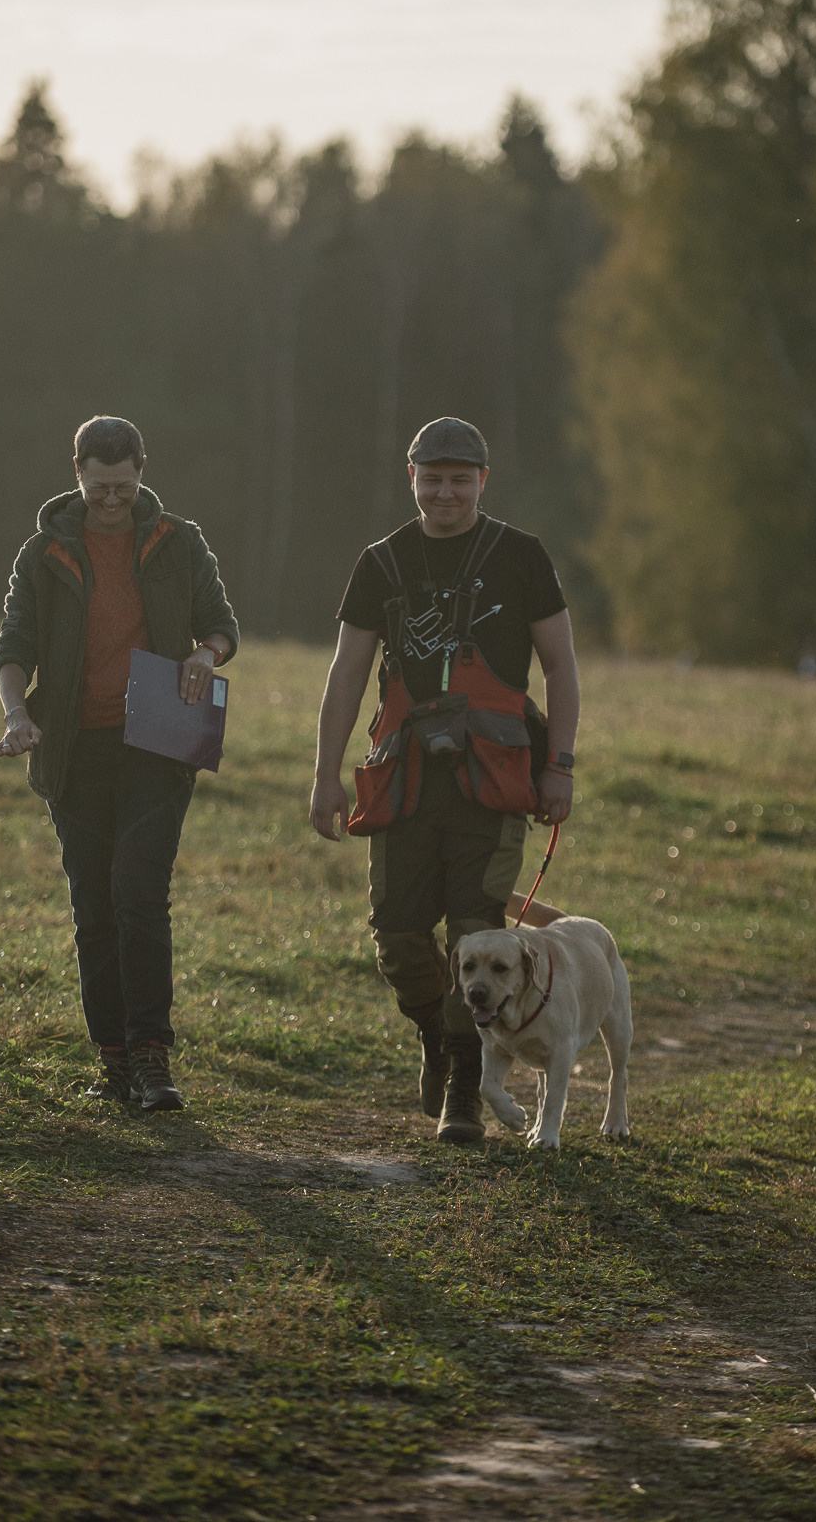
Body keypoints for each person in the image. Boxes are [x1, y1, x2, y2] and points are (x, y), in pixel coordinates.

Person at [309, 417, 578, 1146]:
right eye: (433, 478)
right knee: (398, 938)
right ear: (412, 479)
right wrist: (326, 776)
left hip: (495, 783)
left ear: (482, 483)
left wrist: (560, 764)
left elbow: (560, 666)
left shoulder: (520, 556)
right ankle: (436, 1033)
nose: (446, 492)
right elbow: (347, 672)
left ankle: (463, 1084)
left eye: (461, 479)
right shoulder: (381, 562)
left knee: (474, 929)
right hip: (402, 779)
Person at [0, 415, 238, 1112]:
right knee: (94, 906)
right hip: (75, 749)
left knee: (137, 889)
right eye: (99, 487)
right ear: (77, 473)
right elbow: (14, 645)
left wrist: (203, 654)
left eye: (123, 487)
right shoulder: (41, 553)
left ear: (141, 469)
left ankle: (152, 1057)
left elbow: (222, 621)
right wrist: (17, 712)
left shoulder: (179, 542)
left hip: (159, 740)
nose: (110, 499)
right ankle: (113, 1062)